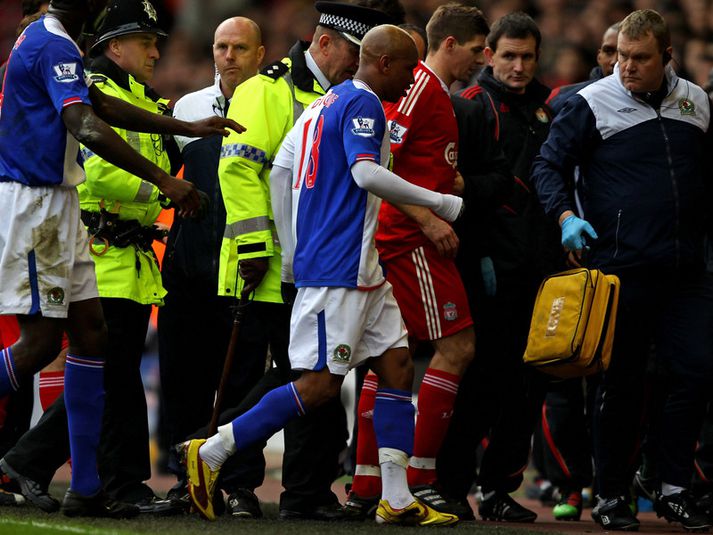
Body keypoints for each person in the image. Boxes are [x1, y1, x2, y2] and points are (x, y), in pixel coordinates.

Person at [182, 24, 463, 527]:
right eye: (406, 67)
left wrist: (291, 250)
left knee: (397, 367)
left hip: (361, 269)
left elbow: (282, 171)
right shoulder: (365, 105)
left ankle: (396, 498)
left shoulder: (322, 104)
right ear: (381, 62)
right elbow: (363, 173)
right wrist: (438, 201)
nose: (411, 78)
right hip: (338, 272)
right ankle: (212, 450)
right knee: (318, 388)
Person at [0, 0, 242, 517]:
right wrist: (164, 183)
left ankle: (88, 486)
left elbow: (102, 109)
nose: (156, 51)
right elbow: (85, 123)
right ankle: (37, 463)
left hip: (63, 207)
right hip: (43, 204)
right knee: (47, 344)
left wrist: (187, 129)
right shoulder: (54, 42)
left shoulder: (62, 46)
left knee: (95, 343)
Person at [532, 9, 713, 532]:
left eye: (640, 59)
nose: (626, 68)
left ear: (667, 58)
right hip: (620, 266)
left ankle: (675, 488)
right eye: (622, 57)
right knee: (621, 385)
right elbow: (549, 164)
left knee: (696, 373)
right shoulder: (591, 101)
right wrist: (565, 216)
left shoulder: (696, 102)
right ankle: (611, 494)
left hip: (686, 268)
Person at [213, 0, 394, 521]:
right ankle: (226, 473)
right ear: (324, 43)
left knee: (315, 382)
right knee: (297, 382)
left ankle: (303, 493)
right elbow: (242, 172)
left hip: (319, 264)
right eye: (354, 54)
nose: (359, 65)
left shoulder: (339, 96)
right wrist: (261, 249)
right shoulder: (266, 90)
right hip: (271, 268)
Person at [345, 3, 485, 521]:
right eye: (476, 50)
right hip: (410, 240)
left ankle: (367, 482)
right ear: (449, 45)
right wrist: (427, 216)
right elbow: (384, 160)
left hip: (404, 237)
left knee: (389, 358)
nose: (482, 60)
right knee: (457, 346)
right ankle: (421, 477)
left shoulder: (433, 90)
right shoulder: (420, 85)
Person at [438, 11, 563, 523]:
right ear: (489, 55)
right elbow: (454, 189)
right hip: (487, 265)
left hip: (539, 266)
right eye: (508, 55)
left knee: (528, 385)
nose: (518, 65)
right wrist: (478, 257)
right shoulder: (471, 106)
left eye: (527, 56)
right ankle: (450, 485)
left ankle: (499, 487)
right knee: (481, 380)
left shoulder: (547, 109)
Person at [159, 16, 273, 518]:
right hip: (189, 268)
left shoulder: (275, 105)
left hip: (245, 269)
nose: (229, 56)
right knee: (185, 379)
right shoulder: (187, 109)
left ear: (260, 54)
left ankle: (243, 485)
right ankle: (186, 481)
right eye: (221, 47)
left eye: (240, 48)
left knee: (246, 378)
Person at [533, 21, 621, 522]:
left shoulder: (654, 109)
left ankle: (614, 485)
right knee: (564, 376)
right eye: (608, 51)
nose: (614, 60)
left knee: (619, 380)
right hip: (566, 256)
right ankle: (569, 484)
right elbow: (547, 170)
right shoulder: (573, 101)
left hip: (624, 258)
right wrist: (561, 230)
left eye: (622, 51)